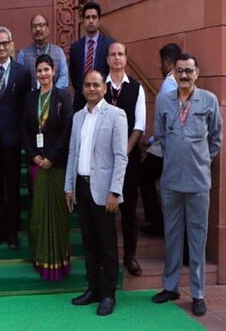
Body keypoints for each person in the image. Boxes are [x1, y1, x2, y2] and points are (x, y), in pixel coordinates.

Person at [152, 54, 222, 317]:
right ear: (174, 73)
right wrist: (177, 158)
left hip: (198, 181)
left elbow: (215, 140)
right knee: (172, 236)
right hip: (170, 180)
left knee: (197, 237)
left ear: (197, 73)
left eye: (188, 71)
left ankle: (198, 293)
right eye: (179, 71)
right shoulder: (164, 100)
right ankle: (170, 287)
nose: (184, 75)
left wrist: (198, 159)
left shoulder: (209, 101)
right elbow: (161, 135)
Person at [65, 70, 128, 316]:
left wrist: (115, 191)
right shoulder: (78, 117)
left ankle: (109, 294)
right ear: (82, 89)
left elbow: (121, 157)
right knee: (89, 242)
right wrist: (68, 187)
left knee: (107, 245)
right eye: (87, 85)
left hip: (104, 191)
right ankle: (93, 288)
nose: (91, 89)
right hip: (81, 186)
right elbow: (72, 152)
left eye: (96, 85)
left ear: (104, 88)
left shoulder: (116, 115)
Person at [23, 54, 73, 280]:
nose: (43, 74)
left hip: (57, 164)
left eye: (47, 70)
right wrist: (34, 156)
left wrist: (51, 157)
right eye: (39, 70)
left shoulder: (63, 96)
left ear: (54, 72)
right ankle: (40, 258)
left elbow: (67, 130)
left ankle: (59, 263)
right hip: (36, 164)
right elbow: (24, 130)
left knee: (59, 215)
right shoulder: (30, 98)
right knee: (38, 214)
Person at [0, 27, 31, 248]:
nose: (1, 48)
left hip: (12, 139)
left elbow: (24, 107)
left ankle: (13, 232)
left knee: (12, 187)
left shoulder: (22, 72)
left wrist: (22, 137)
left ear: (11, 44)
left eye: (5, 43)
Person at [104, 42, 146, 277]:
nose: (117, 58)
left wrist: (124, 152)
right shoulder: (101, 86)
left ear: (126, 59)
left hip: (129, 160)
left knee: (129, 208)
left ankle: (130, 256)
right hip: (103, 161)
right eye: (113, 54)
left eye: (121, 54)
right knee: (106, 210)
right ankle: (108, 256)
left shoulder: (136, 88)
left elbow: (139, 125)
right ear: (108, 59)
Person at [139, 43, 182, 237]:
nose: (160, 67)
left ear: (167, 62)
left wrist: (156, 139)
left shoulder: (169, 84)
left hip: (165, 146)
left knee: (144, 177)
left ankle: (157, 223)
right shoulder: (181, 81)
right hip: (169, 144)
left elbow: (168, 118)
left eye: (161, 63)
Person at [69, 1, 114, 111]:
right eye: (87, 17)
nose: (91, 21)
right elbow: (74, 75)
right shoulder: (75, 47)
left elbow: (110, 72)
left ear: (99, 21)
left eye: (94, 17)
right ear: (83, 21)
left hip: (103, 99)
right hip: (81, 100)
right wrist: (85, 88)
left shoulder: (109, 45)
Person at [17, 14, 70, 89]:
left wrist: (51, 95)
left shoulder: (59, 52)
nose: (38, 29)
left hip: (55, 98)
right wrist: (34, 96)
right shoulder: (23, 54)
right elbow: (21, 80)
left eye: (41, 25)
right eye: (34, 26)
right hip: (31, 99)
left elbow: (64, 78)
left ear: (48, 29)